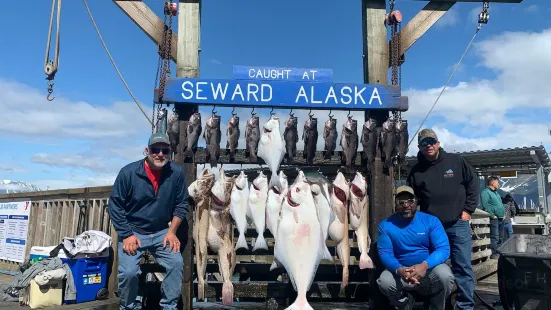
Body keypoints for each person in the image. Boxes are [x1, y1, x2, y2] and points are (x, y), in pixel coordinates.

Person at [108, 132, 190, 310]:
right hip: (133, 231)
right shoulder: (128, 173)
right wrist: (127, 234)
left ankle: (169, 306)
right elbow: (115, 205)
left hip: (162, 231)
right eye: (155, 150)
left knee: (176, 264)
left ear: (169, 152)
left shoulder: (176, 173)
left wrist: (172, 231)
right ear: (147, 151)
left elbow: (182, 204)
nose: (160, 154)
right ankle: (128, 306)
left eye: (164, 150)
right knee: (129, 272)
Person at [407, 129, 479, 310]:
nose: (428, 145)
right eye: (424, 143)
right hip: (432, 228)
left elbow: (473, 183)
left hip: (458, 223)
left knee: (462, 267)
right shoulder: (416, 171)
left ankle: (465, 305)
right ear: (419, 147)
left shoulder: (456, 161)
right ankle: (439, 304)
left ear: (438, 143)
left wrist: (468, 210)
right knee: (435, 268)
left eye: (431, 141)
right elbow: (411, 198)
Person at [377, 185, 456, 310]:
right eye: (401, 202)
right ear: (395, 205)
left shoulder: (431, 221)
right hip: (402, 273)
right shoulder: (386, 225)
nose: (406, 205)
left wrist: (424, 266)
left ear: (416, 202)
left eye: (410, 201)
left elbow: (443, 249)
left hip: (428, 270)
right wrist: (400, 270)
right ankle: (404, 304)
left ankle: (435, 306)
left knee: (445, 276)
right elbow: (386, 254)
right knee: (384, 281)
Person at [481, 176, 505, 258]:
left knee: (501, 237)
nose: (498, 184)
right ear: (493, 183)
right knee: (495, 237)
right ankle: (494, 254)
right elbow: (485, 205)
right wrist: (492, 215)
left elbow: (500, 204)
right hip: (494, 219)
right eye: (497, 182)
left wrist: (503, 214)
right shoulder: (485, 192)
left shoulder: (496, 193)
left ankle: (501, 253)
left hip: (501, 218)